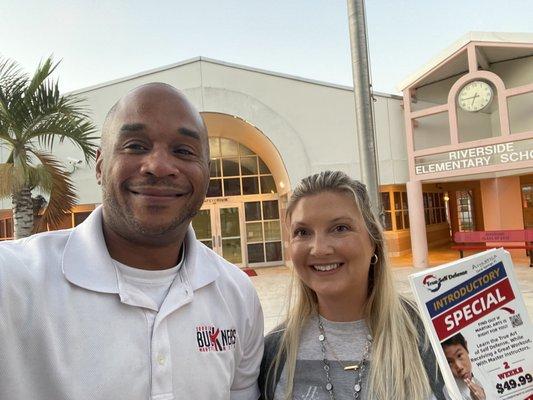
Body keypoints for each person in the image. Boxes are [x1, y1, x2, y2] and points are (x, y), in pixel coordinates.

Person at [0, 83, 264, 400]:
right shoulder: (15, 281)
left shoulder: (237, 294)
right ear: (99, 166)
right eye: (136, 146)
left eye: (183, 151)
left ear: (206, 172)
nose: (159, 167)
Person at [259, 170, 445, 400]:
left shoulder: (431, 334)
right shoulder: (274, 353)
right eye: (302, 232)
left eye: (340, 228)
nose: (319, 248)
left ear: (373, 241)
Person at [442, 333, 492, 400]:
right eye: (449, 362)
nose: (459, 367)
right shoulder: (449, 390)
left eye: (459, 355)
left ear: (466, 347)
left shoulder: (486, 367)